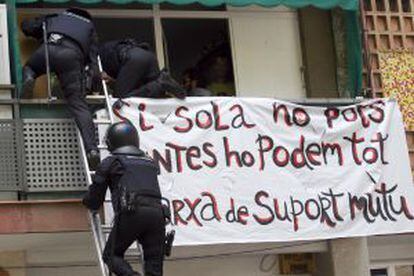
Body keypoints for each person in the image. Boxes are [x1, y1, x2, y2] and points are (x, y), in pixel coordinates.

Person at [83, 122, 166, 276]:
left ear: (110, 143)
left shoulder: (111, 162)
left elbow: (95, 198)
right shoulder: (150, 162)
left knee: (111, 255)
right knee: (154, 264)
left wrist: (88, 202)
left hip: (131, 213)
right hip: (158, 215)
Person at [20, 8, 100, 169]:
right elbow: (93, 61)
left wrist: (43, 27)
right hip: (71, 57)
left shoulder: (56, 17)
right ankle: (92, 150)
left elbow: (27, 26)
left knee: (29, 67)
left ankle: (30, 78)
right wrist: (93, 83)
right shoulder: (89, 27)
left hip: (47, 50)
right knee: (78, 105)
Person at [99, 39, 186, 99]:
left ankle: (160, 84)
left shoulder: (95, 58)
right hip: (142, 57)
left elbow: (120, 92)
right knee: (133, 93)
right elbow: (128, 86)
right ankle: (168, 86)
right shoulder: (104, 51)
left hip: (134, 60)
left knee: (120, 98)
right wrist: (111, 81)